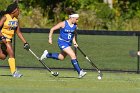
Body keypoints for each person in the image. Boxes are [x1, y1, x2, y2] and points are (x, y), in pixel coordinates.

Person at [40, 10, 87, 78]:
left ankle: (47, 55)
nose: (77, 20)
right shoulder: (63, 23)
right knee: (73, 55)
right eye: (76, 19)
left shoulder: (75, 25)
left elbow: (73, 34)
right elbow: (52, 29)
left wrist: (74, 42)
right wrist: (50, 38)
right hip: (62, 42)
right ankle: (80, 72)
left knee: (61, 57)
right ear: (72, 18)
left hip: (68, 43)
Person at [0, 2, 30, 78]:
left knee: (3, 56)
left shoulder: (16, 20)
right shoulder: (5, 17)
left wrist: (25, 42)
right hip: (2, 38)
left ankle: (14, 71)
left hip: (8, 39)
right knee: (11, 53)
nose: (19, 12)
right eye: (18, 10)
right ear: (14, 11)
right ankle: (14, 72)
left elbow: (18, 32)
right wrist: (2, 37)